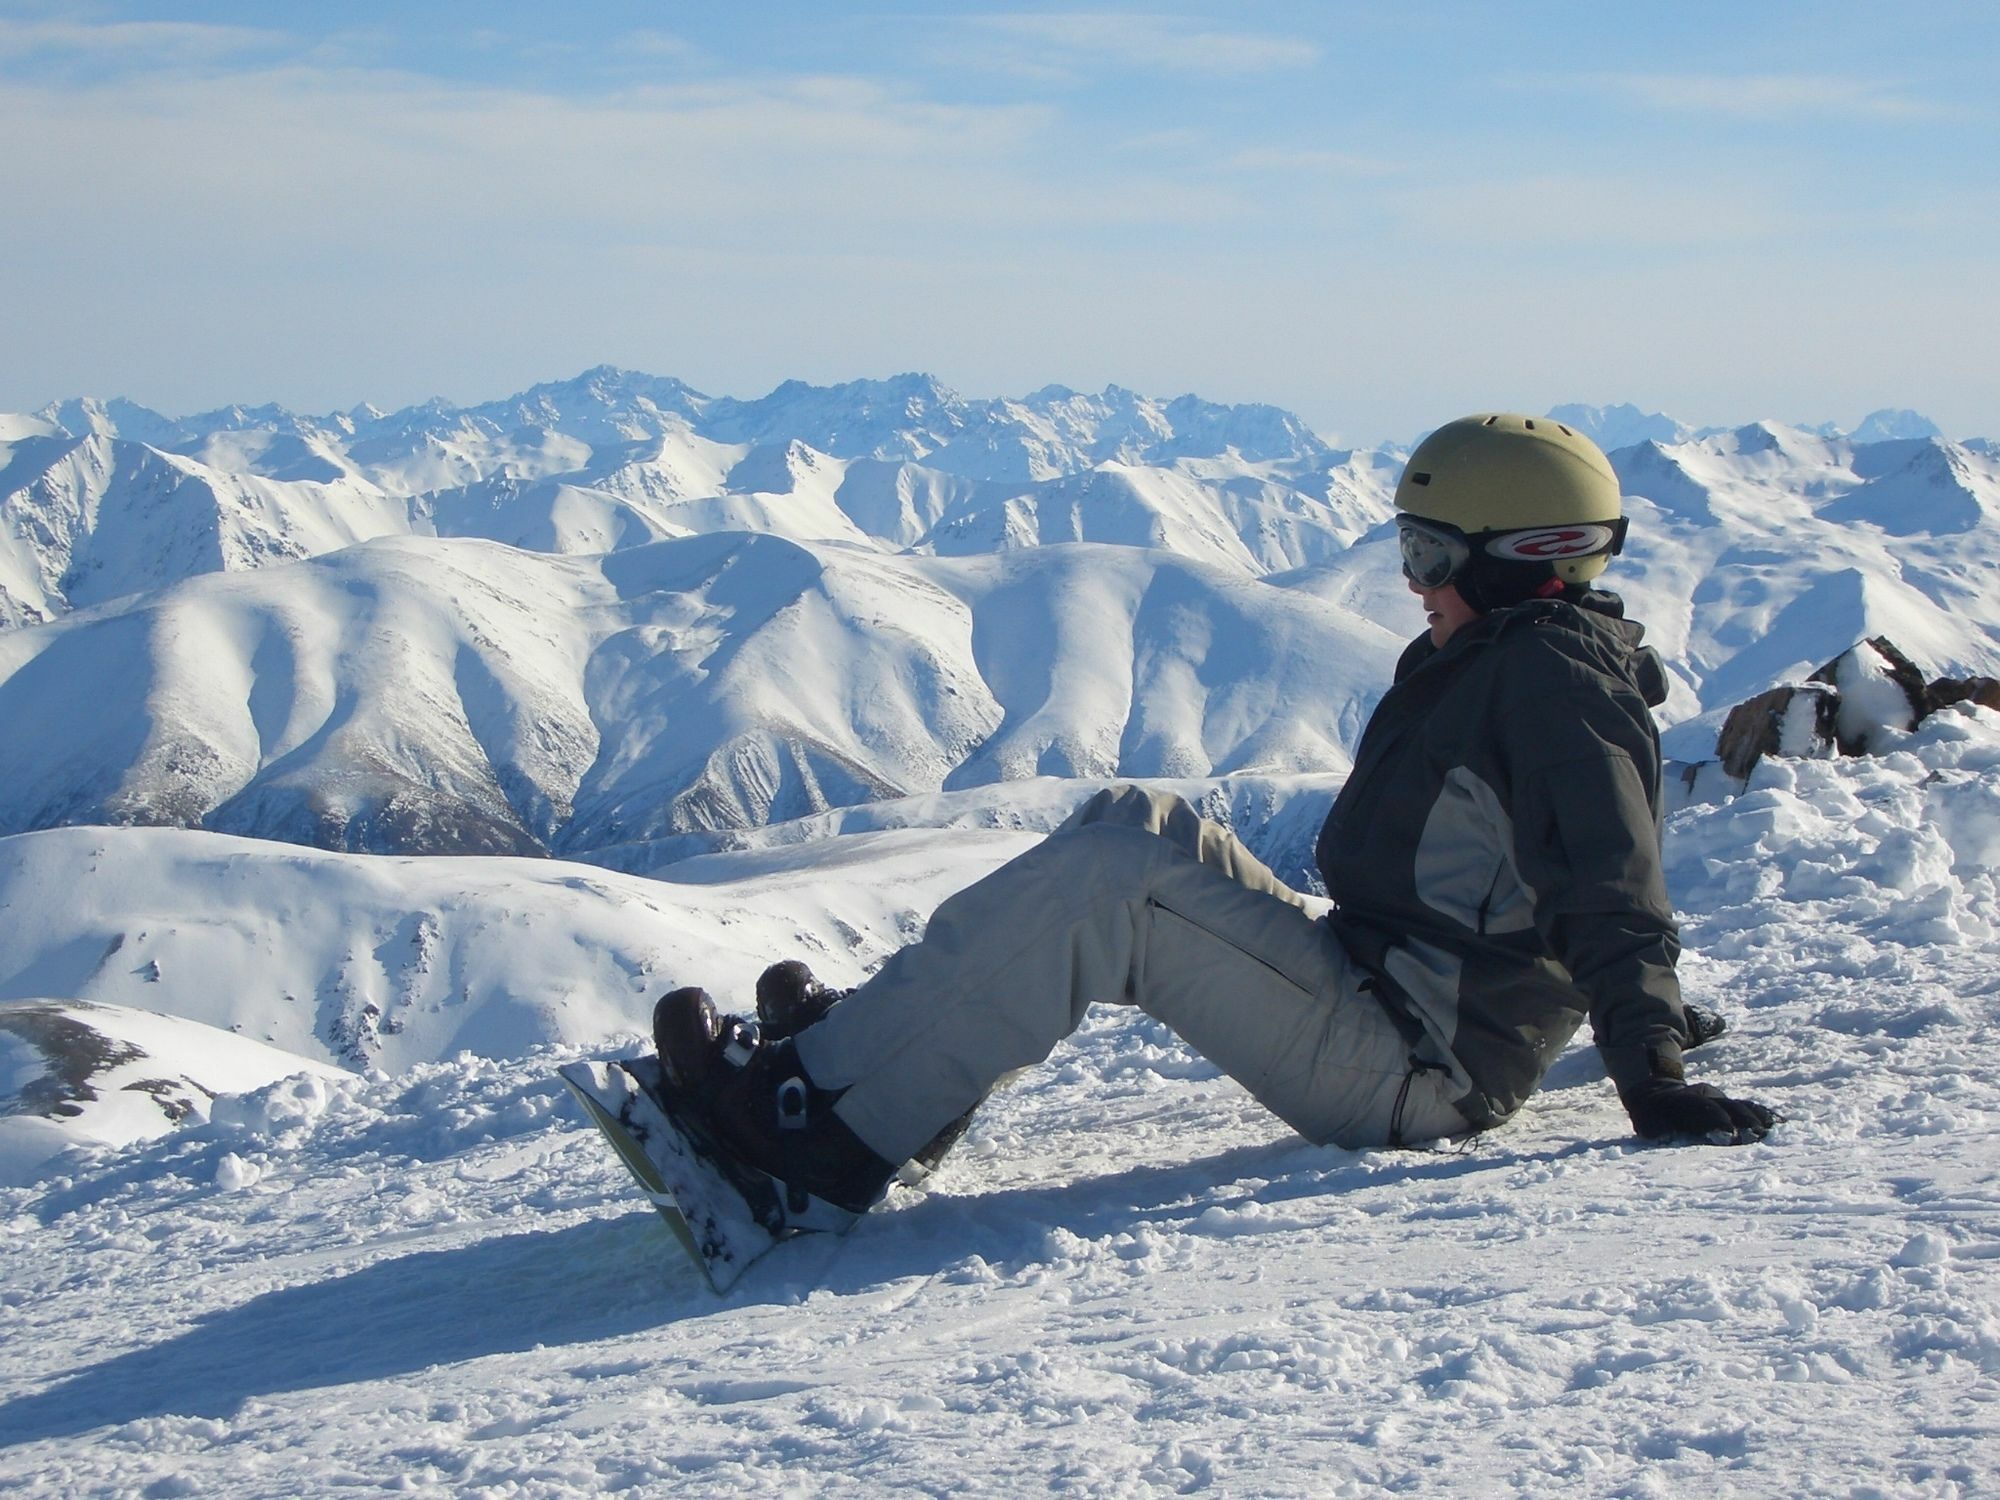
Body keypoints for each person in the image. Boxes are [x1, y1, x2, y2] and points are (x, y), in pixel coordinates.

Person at [651, 413, 1777, 1217]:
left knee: (1110, 887)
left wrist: (1650, 1068)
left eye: (1429, 554)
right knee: (1126, 816)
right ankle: (893, 1069)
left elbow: (1607, 882)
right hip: (1376, 984)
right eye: (1405, 548)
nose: (1408, 579)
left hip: (1416, 1068)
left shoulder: (1551, 685)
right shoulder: (1496, 654)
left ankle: (806, 1137)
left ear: (1524, 561)